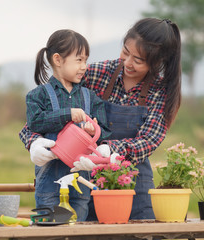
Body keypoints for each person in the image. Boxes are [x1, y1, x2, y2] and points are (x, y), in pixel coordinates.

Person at [19, 18, 182, 220]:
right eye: (125, 51)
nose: (127, 62)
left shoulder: (161, 91)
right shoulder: (96, 73)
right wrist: (33, 142)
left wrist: (107, 152)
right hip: (87, 182)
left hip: (133, 185)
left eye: (138, 60)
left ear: (157, 63)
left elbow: (148, 141)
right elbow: (42, 117)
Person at [25, 29, 110, 221]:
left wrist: (93, 132)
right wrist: (68, 114)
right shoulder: (38, 95)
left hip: (81, 182)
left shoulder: (90, 97)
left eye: (86, 60)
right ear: (58, 59)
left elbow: (103, 131)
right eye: (79, 60)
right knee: (50, 231)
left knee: (77, 229)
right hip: (49, 184)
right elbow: (35, 121)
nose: (84, 66)